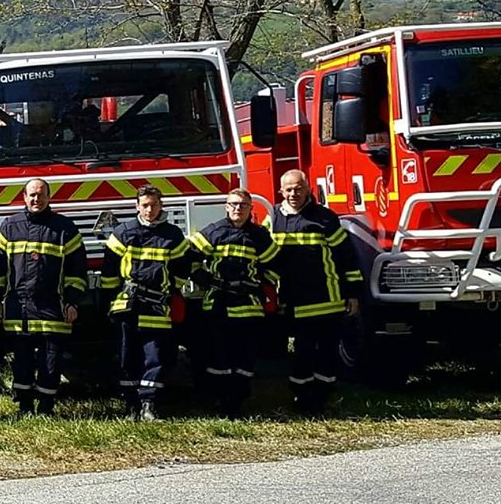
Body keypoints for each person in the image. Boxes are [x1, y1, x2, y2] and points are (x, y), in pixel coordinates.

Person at [267, 170, 362, 416]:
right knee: (301, 351)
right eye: (288, 189)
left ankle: (322, 398)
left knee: (326, 352)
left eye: (298, 188)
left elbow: (346, 258)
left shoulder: (325, 218)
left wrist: (352, 294)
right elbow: (266, 258)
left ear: (308, 189)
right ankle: (301, 397)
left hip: (327, 299)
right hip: (293, 300)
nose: (293, 194)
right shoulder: (273, 219)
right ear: (281, 192)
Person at [0, 179, 85, 416]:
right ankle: (24, 405)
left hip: (54, 304)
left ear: (49, 197)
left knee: (51, 360)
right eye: (32, 195)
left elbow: (76, 271)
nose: (36, 199)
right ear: (24, 197)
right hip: (18, 306)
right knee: (21, 359)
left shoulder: (65, 229)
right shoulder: (9, 227)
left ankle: (46, 406)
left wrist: (72, 301)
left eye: (41, 195)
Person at [186, 188, 278, 417]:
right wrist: (202, 278)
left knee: (245, 356)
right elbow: (188, 257)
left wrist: (262, 283)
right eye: (234, 204)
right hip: (218, 303)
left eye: (243, 205)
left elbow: (275, 265)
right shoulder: (214, 232)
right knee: (219, 356)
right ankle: (219, 400)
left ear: (250, 209)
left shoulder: (259, 236)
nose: (238, 209)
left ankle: (239, 401)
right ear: (226, 207)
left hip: (249, 305)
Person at [103, 186, 191, 421]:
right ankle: (131, 406)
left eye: (153, 204)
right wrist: (110, 298)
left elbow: (182, 269)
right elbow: (110, 270)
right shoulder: (123, 232)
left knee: (155, 356)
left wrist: (170, 289)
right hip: (128, 303)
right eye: (145, 205)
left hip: (157, 304)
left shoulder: (172, 235)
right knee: (126, 356)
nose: (149, 209)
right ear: (136, 206)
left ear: (161, 205)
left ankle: (149, 405)